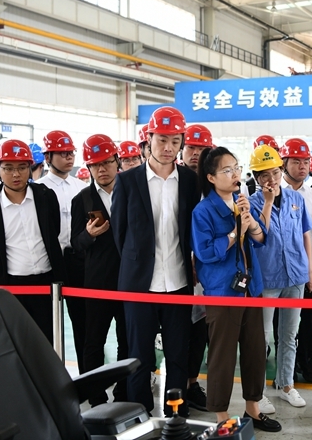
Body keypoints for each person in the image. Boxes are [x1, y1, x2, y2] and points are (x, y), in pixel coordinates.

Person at [111, 106, 200, 417]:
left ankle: (176, 414)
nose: (168, 148)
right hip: (139, 285)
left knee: (177, 355)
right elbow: (120, 234)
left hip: (178, 281)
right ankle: (139, 413)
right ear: (148, 140)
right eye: (162, 140)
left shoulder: (189, 181)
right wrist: (138, 263)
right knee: (139, 356)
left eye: (175, 141)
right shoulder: (127, 181)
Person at [191, 146, 281, 433]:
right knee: (223, 355)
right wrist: (234, 233)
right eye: (227, 170)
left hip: (250, 288)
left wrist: (251, 222)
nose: (235, 175)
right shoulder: (203, 211)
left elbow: (261, 239)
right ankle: (221, 414)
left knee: (255, 350)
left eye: (237, 168)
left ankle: (253, 408)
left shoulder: (242, 203)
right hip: (222, 293)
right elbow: (206, 253)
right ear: (211, 177)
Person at [248, 144, 312, 411]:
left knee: (289, 335)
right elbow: (259, 237)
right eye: (264, 174)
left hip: (295, 274)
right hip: (267, 278)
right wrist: (267, 201)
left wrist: (309, 270)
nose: (271, 179)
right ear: (256, 177)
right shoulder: (251, 204)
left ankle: (286, 384)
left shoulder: (296, 199)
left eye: (275, 172)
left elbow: (305, 234)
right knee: (261, 338)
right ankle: (257, 392)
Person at [0, 139, 64, 342]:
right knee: (17, 342)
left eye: (22, 167)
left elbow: (54, 230)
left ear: (29, 168)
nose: (16, 174)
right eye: (8, 168)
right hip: (12, 286)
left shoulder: (46, 197)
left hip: (47, 284)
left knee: (49, 340)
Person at [70, 134, 127, 406]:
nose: (101, 169)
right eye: (95, 164)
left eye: (106, 162)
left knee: (128, 341)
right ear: (89, 168)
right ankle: (96, 399)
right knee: (93, 342)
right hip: (97, 284)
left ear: (117, 161)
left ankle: (124, 394)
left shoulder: (132, 192)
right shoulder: (81, 200)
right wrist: (89, 235)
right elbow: (75, 243)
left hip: (129, 281)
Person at [279, 138, 312, 384]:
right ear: (284, 163)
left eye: (305, 161)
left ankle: (307, 360)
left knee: (311, 321)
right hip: (283, 273)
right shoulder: (274, 192)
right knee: (284, 324)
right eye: (296, 161)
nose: (302, 166)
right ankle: (286, 368)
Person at [37, 130, 89, 373]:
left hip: (78, 260)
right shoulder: (38, 189)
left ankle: (87, 375)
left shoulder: (81, 186)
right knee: (48, 323)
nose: (69, 158)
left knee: (82, 322)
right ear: (48, 157)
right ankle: (51, 376)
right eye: (62, 153)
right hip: (50, 263)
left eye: (71, 153)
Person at [178, 123, 214, 411]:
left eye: (202, 150)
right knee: (178, 331)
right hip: (175, 269)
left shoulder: (214, 184)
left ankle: (192, 383)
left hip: (208, 271)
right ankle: (176, 385)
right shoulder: (174, 181)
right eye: (191, 147)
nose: (196, 154)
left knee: (200, 330)